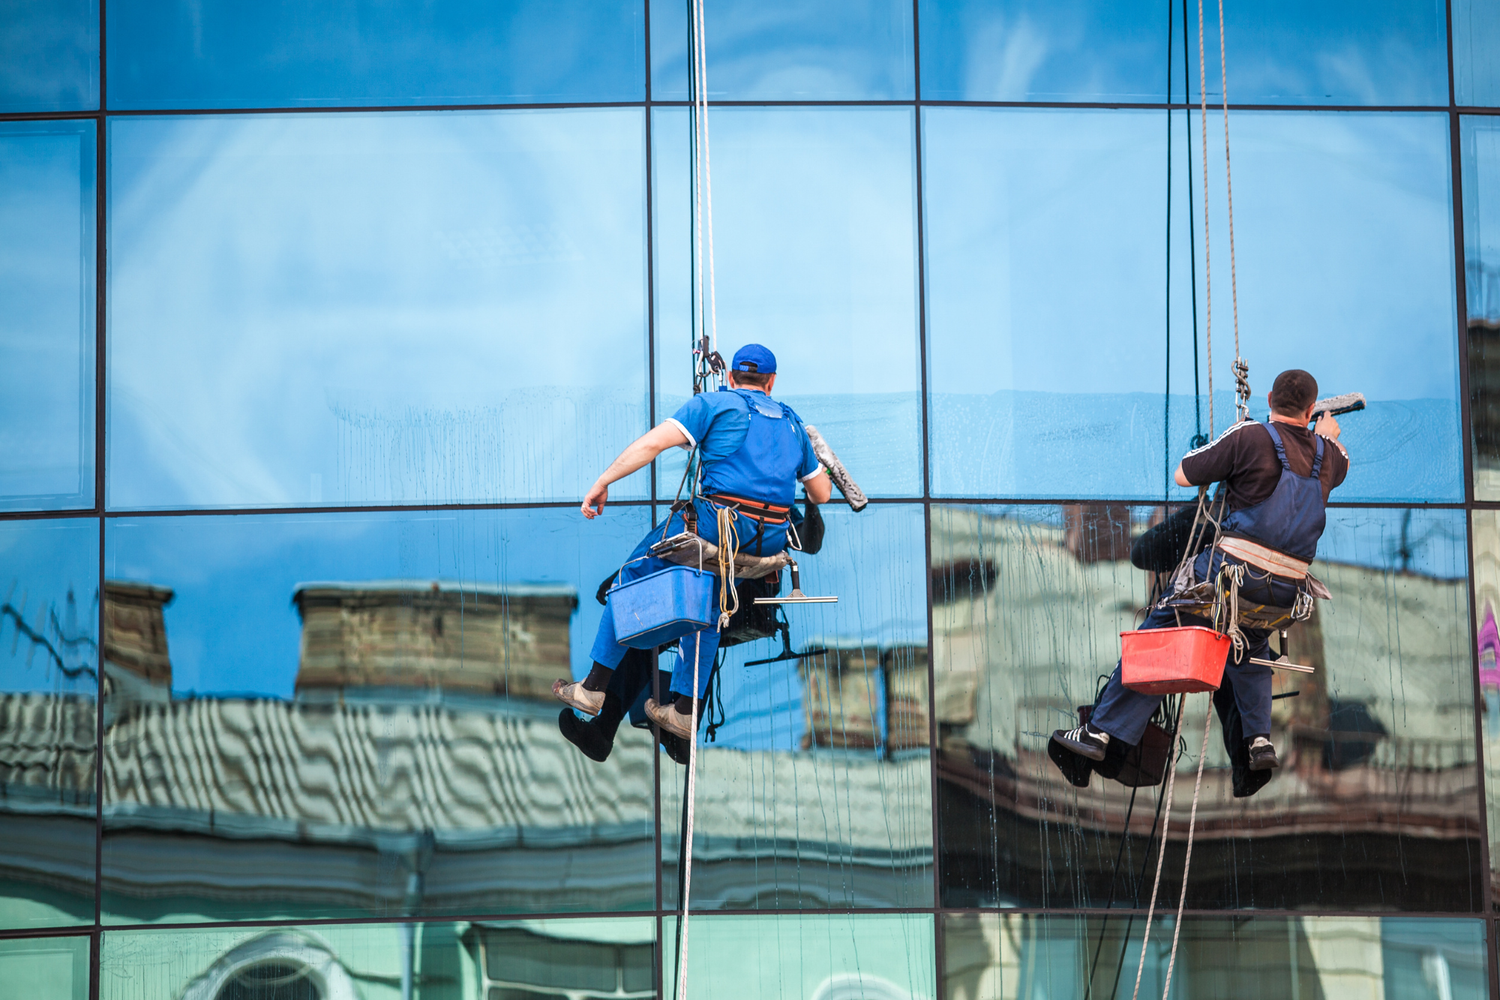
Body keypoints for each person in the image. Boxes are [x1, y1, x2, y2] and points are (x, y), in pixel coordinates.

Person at [1053, 369, 1350, 778]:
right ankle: (1258, 740)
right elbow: (1335, 454)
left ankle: (1100, 733)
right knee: (1252, 644)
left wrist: (1233, 447)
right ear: (1312, 409)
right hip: (1285, 590)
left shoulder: (1249, 437)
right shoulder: (1329, 456)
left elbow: (1183, 473)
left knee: (1160, 635)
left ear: (1268, 398)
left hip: (1230, 574)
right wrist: (1328, 433)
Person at [555, 344, 833, 741]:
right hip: (765, 545)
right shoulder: (792, 423)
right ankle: (685, 709)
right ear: (771, 382)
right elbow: (820, 493)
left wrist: (603, 482)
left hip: (717, 527)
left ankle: (593, 688)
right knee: (710, 607)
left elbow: (651, 445)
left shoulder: (714, 405)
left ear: (731, 378)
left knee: (628, 580)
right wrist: (816, 461)